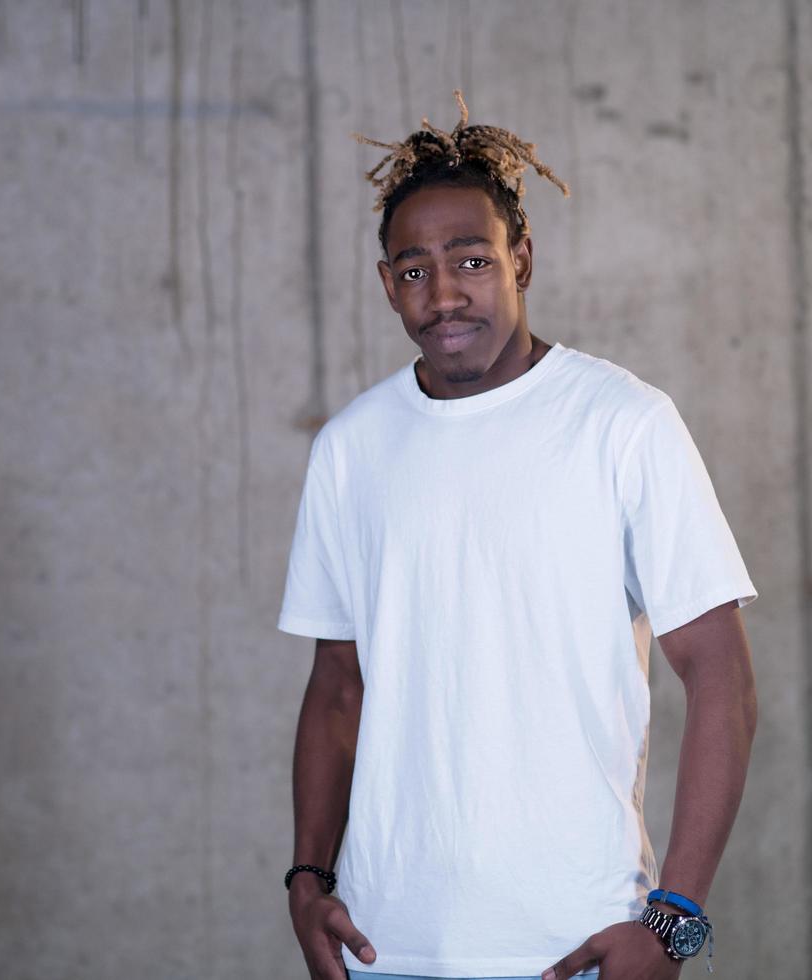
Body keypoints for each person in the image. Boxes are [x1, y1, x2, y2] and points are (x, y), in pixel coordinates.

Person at [277, 91, 759, 980]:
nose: (445, 292)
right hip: (384, 950)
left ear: (521, 260)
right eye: (414, 269)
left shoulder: (623, 424)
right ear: (387, 284)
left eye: (471, 259)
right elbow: (337, 687)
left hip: (575, 948)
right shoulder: (351, 450)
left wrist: (675, 920)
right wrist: (308, 879)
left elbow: (720, 673)